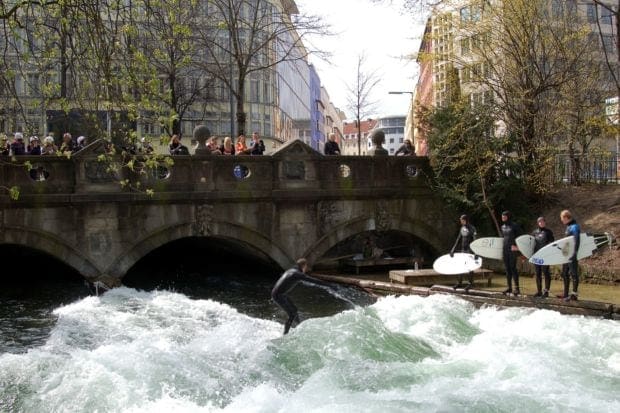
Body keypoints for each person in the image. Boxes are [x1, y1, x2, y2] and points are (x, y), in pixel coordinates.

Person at [271, 258, 331, 335]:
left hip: (280, 294)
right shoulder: (297, 274)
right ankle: (285, 334)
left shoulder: (291, 270)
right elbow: (313, 281)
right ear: (304, 266)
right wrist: (329, 285)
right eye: (306, 266)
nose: (307, 268)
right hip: (278, 295)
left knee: (295, 310)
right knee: (292, 314)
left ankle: (298, 327)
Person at [450, 214, 477, 289]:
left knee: (470, 267)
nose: (460, 221)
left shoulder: (472, 228)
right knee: (460, 266)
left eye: (461, 220)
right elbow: (458, 239)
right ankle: (459, 282)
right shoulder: (462, 228)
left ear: (465, 220)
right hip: (463, 249)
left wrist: (475, 252)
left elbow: (475, 240)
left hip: (469, 250)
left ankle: (470, 283)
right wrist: (453, 249)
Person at [560, 209, 580, 301]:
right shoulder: (568, 227)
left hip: (572, 254)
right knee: (564, 273)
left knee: (574, 274)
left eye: (562, 219)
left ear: (566, 217)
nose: (561, 220)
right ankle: (565, 293)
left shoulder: (574, 226)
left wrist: (575, 252)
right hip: (566, 254)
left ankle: (574, 294)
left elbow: (577, 240)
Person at [532, 216, 554, 298]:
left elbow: (552, 243)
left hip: (545, 256)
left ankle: (546, 292)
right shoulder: (534, 232)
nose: (541, 223)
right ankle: (539, 291)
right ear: (538, 223)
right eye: (539, 222)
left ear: (545, 222)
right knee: (538, 274)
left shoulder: (548, 232)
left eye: (542, 221)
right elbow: (531, 244)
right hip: (537, 256)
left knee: (546, 273)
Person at [501, 210, 521, 296]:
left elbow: (521, 237)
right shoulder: (503, 227)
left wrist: (517, 247)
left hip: (512, 251)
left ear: (508, 216)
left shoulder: (514, 226)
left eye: (504, 216)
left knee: (513, 268)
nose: (503, 217)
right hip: (505, 250)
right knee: (507, 269)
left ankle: (517, 288)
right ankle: (509, 288)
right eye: (502, 216)